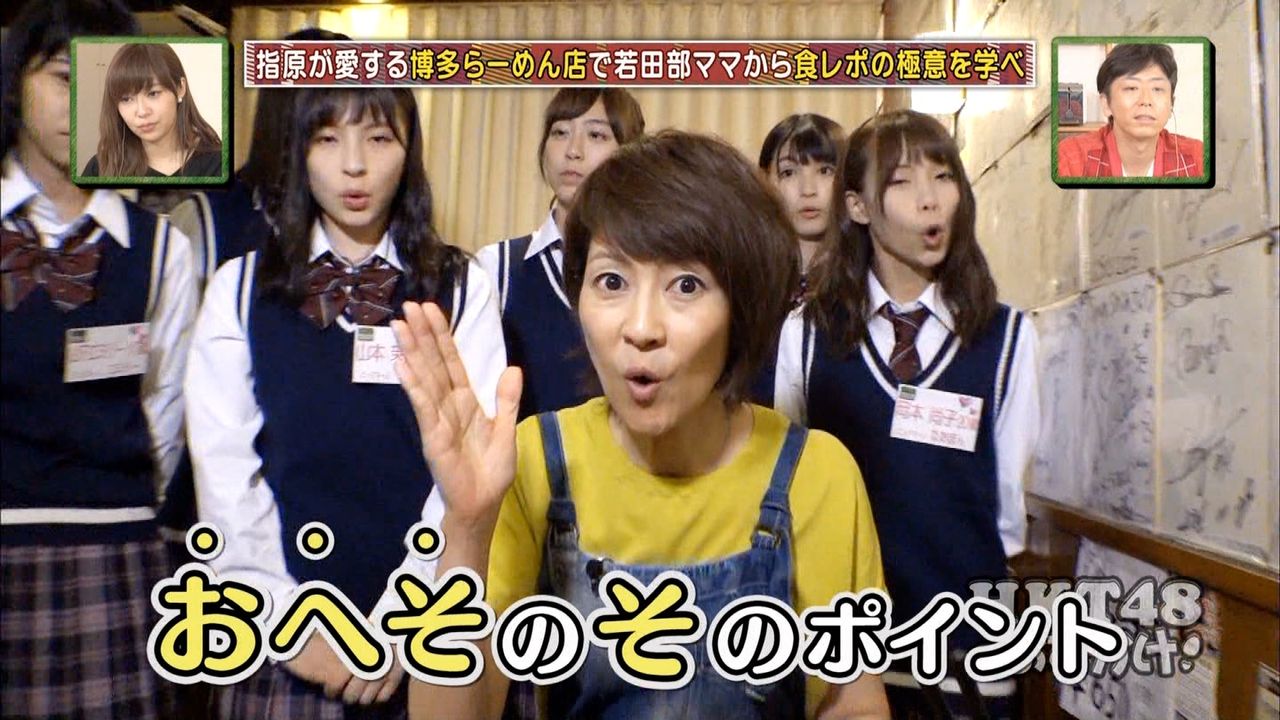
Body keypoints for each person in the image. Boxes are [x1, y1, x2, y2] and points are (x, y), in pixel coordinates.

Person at [394, 130, 890, 720]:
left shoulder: (818, 473)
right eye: (612, 282)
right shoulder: (534, 460)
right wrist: (467, 527)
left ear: (745, 307)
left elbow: (853, 705)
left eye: (686, 285)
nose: (641, 328)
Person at [184, 85, 505, 719]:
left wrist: (401, 622)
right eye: (328, 139)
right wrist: (287, 621)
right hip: (283, 639)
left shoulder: (464, 286)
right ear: (299, 152)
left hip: (423, 634)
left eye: (379, 139)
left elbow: (468, 473)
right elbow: (225, 475)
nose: (354, 165)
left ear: (410, 152)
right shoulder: (238, 288)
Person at [785, 109, 1039, 717]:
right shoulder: (807, 334)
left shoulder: (1007, 337)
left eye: (943, 176)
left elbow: (1007, 514)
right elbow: (788, 491)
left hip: (967, 657)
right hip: (841, 658)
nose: (930, 200)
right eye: (901, 182)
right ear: (857, 207)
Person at [0, 1, 198, 718]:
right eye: (63, 77)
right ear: (15, 83)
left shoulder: (162, 247)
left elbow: (167, 411)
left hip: (116, 546)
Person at [475, 88, 645, 420]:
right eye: (560, 133)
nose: (573, 151)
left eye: (596, 135)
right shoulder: (496, 268)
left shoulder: (652, 269)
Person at [1056, 43, 1203, 178]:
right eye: (1132, 88)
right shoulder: (1070, 157)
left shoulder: (1198, 157)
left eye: (1157, 89)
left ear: (1171, 104)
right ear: (1106, 104)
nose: (1145, 101)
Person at [81, 42, 223, 178]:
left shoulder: (218, 163)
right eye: (126, 99)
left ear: (180, 88)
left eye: (153, 93)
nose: (142, 112)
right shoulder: (100, 168)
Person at [758, 113, 845, 278]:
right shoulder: (746, 275)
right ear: (765, 181)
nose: (808, 190)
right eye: (788, 173)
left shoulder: (868, 277)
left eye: (825, 171)